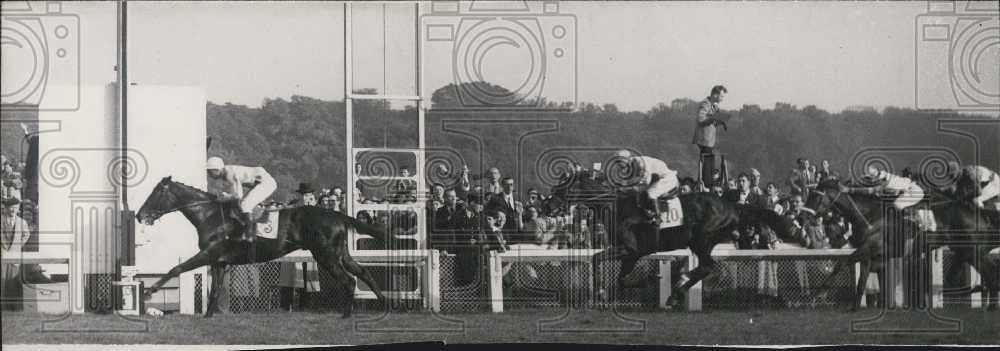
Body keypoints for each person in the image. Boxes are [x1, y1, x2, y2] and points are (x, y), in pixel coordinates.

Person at [206, 157, 277, 244]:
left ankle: (249, 237)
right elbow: (235, 195)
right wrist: (226, 197)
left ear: (217, 169)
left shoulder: (229, 174)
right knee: (241, 205)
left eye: (209, 171)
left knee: (245, 206)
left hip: (266, 183)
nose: (208, 174)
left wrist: (225, 197)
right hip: (260, 182)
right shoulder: (226, 173)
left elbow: (238, 196)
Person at [614, 149, 680, 221]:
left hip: (667, 179)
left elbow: (646, 182)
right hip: (657, 178)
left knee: (651, 193)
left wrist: (629, 188)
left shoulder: (641, 163)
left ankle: (657, 217)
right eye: (618, 162)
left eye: (620, 161)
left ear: (627, 159)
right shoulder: (631, 164)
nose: (619, 164)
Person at [692, 85, 729, 186]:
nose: (722, 99)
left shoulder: (714, 105)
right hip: (704, 139)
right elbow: (700, 119)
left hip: (709, 140)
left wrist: (720, 121)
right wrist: (713, 118)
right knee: (707, 162)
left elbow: (712, 120)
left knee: (709, 162)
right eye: (721, 96)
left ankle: (708, 182)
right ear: (715, 94)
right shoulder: (706, 103)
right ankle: (706, 184)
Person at [1, 197, 31, 311]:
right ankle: (3, 308)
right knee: (2, 281)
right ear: (6, 208)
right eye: (11, 208)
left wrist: (17, 246)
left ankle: (14, 308)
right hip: (2, 256)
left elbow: (26, 235)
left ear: (18, 209)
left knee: (14, 281)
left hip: (15, 256)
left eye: (15, 208)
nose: (13, 210)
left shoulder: (22, 222)